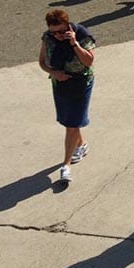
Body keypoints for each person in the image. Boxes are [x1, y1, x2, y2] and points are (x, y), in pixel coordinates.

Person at [38, 10, 96, 184]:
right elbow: (42, 62)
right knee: (68, 120)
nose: (58, 35)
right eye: (54, 32)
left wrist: (74, 44)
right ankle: (81, 145)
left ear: (68, 26)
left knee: (71, 124)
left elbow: (89, 61)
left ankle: (66, 166)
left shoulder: (82, 34)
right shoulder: (47, 38)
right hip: (60, 83)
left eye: (62, 31)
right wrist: (54, 72)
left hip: (81, 83)